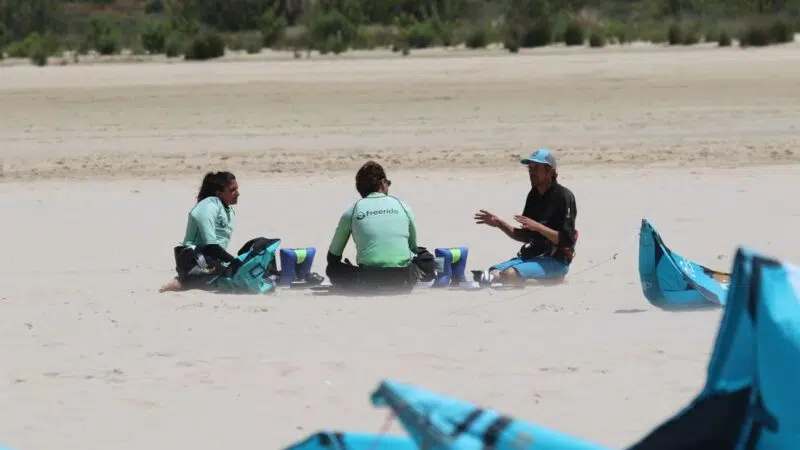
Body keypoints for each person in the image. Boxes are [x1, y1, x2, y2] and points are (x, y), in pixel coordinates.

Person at [473, 148, 578, 285]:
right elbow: (525, 236)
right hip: (532, 256)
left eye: (536, 168)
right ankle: (531, 278)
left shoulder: (564, 196)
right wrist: (499, 223)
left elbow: (567, 241)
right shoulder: (533, 195)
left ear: (551, 172)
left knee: (509, 275)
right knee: (493, 273)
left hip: (555, 260)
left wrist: (539, 227)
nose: (531, 172)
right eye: (530, 168)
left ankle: (554, 280)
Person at [325, 161, 436, 291]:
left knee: (332, 269)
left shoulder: (352, 211)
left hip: (367, 280)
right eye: (388, 183)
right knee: (426, 257)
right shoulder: (403, 206)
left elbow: (333, 256)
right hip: (402, 279)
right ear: (383, 183)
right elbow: (412, 247)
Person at [159, 171, 244, 293]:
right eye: (232, 190)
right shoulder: (207, 207)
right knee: (234, 275)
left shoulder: (227, 209)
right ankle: (182, 282)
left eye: (237, 189)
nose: (238, 193)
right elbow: (211, 247)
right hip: (192, 260)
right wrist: (235, 262)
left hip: (211, 261)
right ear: (218, 193)